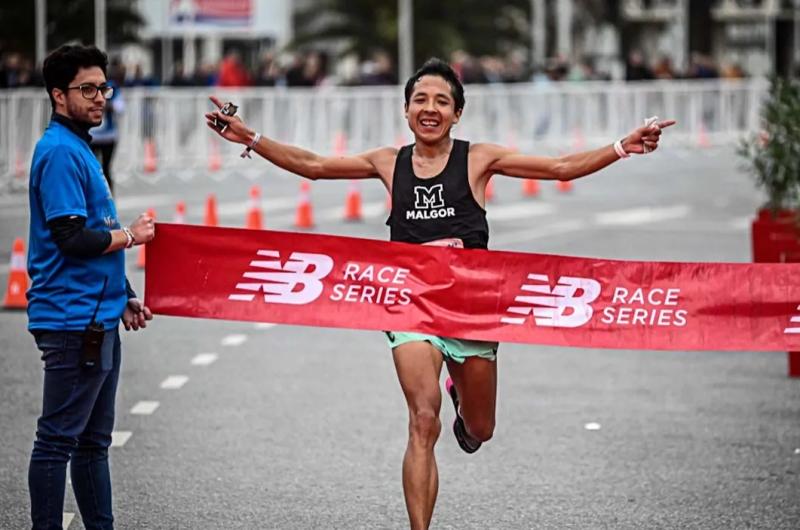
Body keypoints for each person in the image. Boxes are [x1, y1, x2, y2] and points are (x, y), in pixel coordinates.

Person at [204, 57, 674, 530]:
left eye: (442, 101)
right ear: (406, 111)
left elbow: (559, 167)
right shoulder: (388, 162)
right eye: (420, 100)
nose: (430, 108)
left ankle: (460, 398)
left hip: (470, 309)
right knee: (422, 419)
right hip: (411, 304)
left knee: (480, 429)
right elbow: (315, 166)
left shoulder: (479, 159)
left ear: (457, 113)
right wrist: (250, 137)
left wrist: (622, 146)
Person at [28, 44, 155, 530]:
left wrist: (122, 296)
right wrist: (132, 237)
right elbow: (72, 237)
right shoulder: (59, 152)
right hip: (71, 320)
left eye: (103, 87)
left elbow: (95, 223)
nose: (100, 97)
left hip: (97, 317)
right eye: (87, 89)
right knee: (58, 440)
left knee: (92, 443)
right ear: (59, 95)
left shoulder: (80, 146)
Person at [90, 60, 125, 194]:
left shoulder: (111, 87)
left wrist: (106, 106)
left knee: (106, 169)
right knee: (91, 171)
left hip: (108, 136)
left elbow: (120, 107)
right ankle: (92, 201)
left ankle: (109, 202)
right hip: (92, 136)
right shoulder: (87, 86)